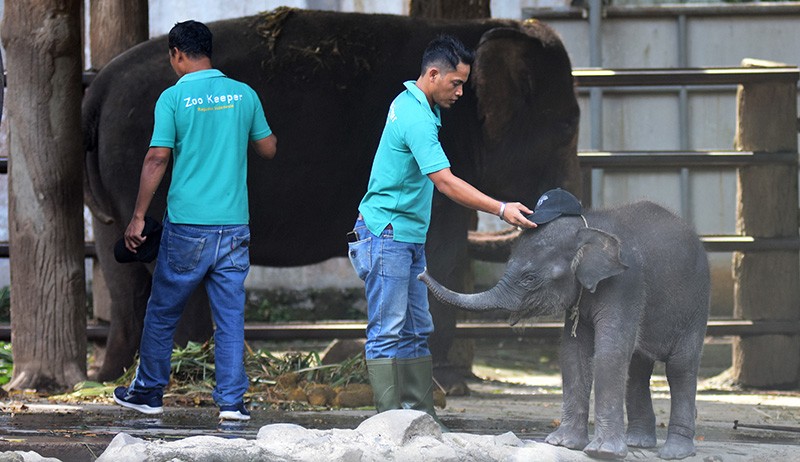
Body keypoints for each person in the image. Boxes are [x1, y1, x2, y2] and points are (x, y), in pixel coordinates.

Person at [348, 35, 536, 428]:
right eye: (456, 83)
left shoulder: (417, 105)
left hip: (407, 237)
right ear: (433, 74)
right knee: (388, 330)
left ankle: (420, 418)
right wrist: (501, 208)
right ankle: (389, 425)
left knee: (419, 328)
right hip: (387, 235)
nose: (461, 92)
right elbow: (446, 182)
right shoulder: (416, 118)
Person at [113, 20, 277, 421]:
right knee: (230, 317)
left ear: (176, 54)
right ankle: (232, 403)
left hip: (188, 225)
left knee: (163, 311)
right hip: (234, 226)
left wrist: (138, 216)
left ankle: (149, 392)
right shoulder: (244, 94)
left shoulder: (173, 98)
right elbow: (269, 148)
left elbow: (157, 157)